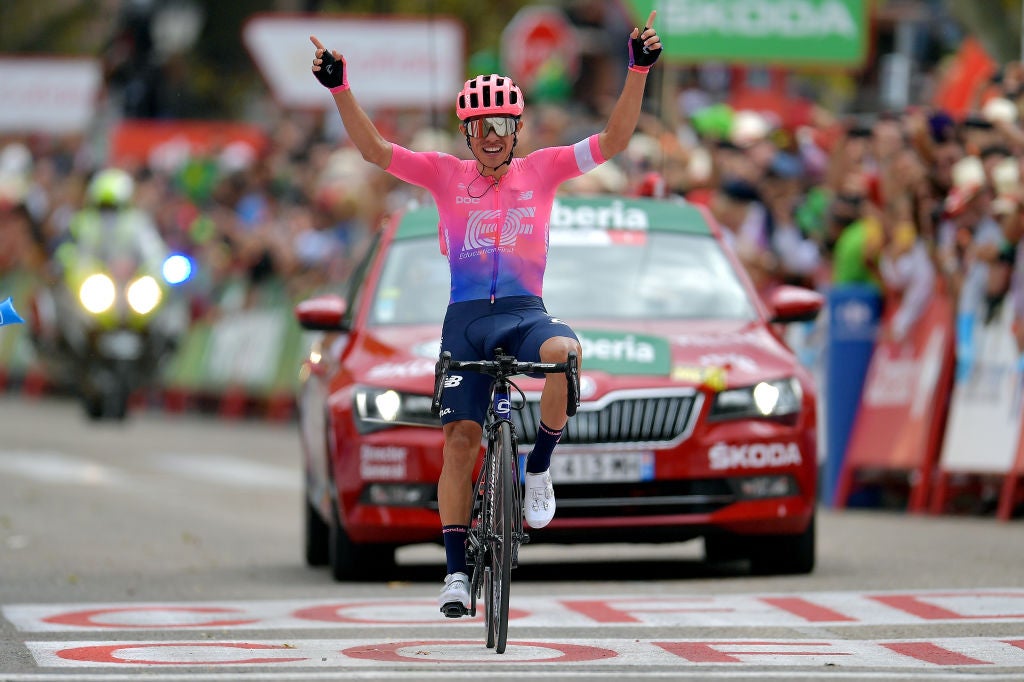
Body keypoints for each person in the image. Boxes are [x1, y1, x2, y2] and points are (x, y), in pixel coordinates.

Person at [310, 12, 662, 617]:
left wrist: (637, 70)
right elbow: (372, 150)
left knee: (566, 357)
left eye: (501, 123)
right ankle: (453, 574)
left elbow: (616, 140)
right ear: (467, 133)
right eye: (480, 125)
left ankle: (542, 468)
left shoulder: (544, 170)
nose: (492, 134)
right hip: (467, 319)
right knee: (459, 443)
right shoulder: (444, 175)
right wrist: (340, 86)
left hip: (526, 313)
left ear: (517, 127)